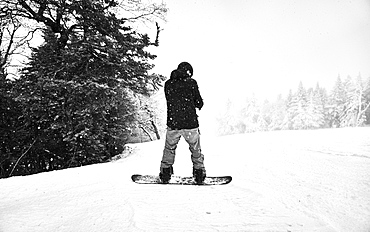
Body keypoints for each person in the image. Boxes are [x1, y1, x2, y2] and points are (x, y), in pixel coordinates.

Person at [159, 62, 206, 184]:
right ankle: (199, 173)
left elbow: (171, 100)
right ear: (189, 72)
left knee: (169, 148)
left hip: (173, 123)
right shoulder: (191, 83)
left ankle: (165, 172)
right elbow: (199, 103)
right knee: (195, 148)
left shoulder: (168, 84)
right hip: (190, 123)